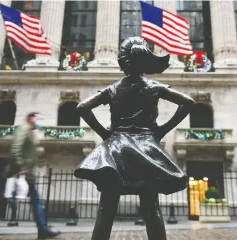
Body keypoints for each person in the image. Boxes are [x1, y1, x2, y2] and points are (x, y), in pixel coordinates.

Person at [74, 37, 195, 240]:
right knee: (151, 209)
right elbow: (189, 102)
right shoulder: (154, 87)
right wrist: (163, 129)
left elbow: (82, 107)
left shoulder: (112, 89)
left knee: (106, 210)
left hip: (116, 150)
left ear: (123, 63)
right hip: (146, 150)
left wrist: (105, 134)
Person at [6, 112, 60, 240]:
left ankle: (43, 230)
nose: (40, 120)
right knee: (36, 202)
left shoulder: (30, 132)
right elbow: (16, 148)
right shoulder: (23, 129)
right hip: (23, 173)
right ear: (30, 118)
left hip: (28, 173)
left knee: (36, 202)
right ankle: (44, 230)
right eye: (38, 117)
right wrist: (21, 167)